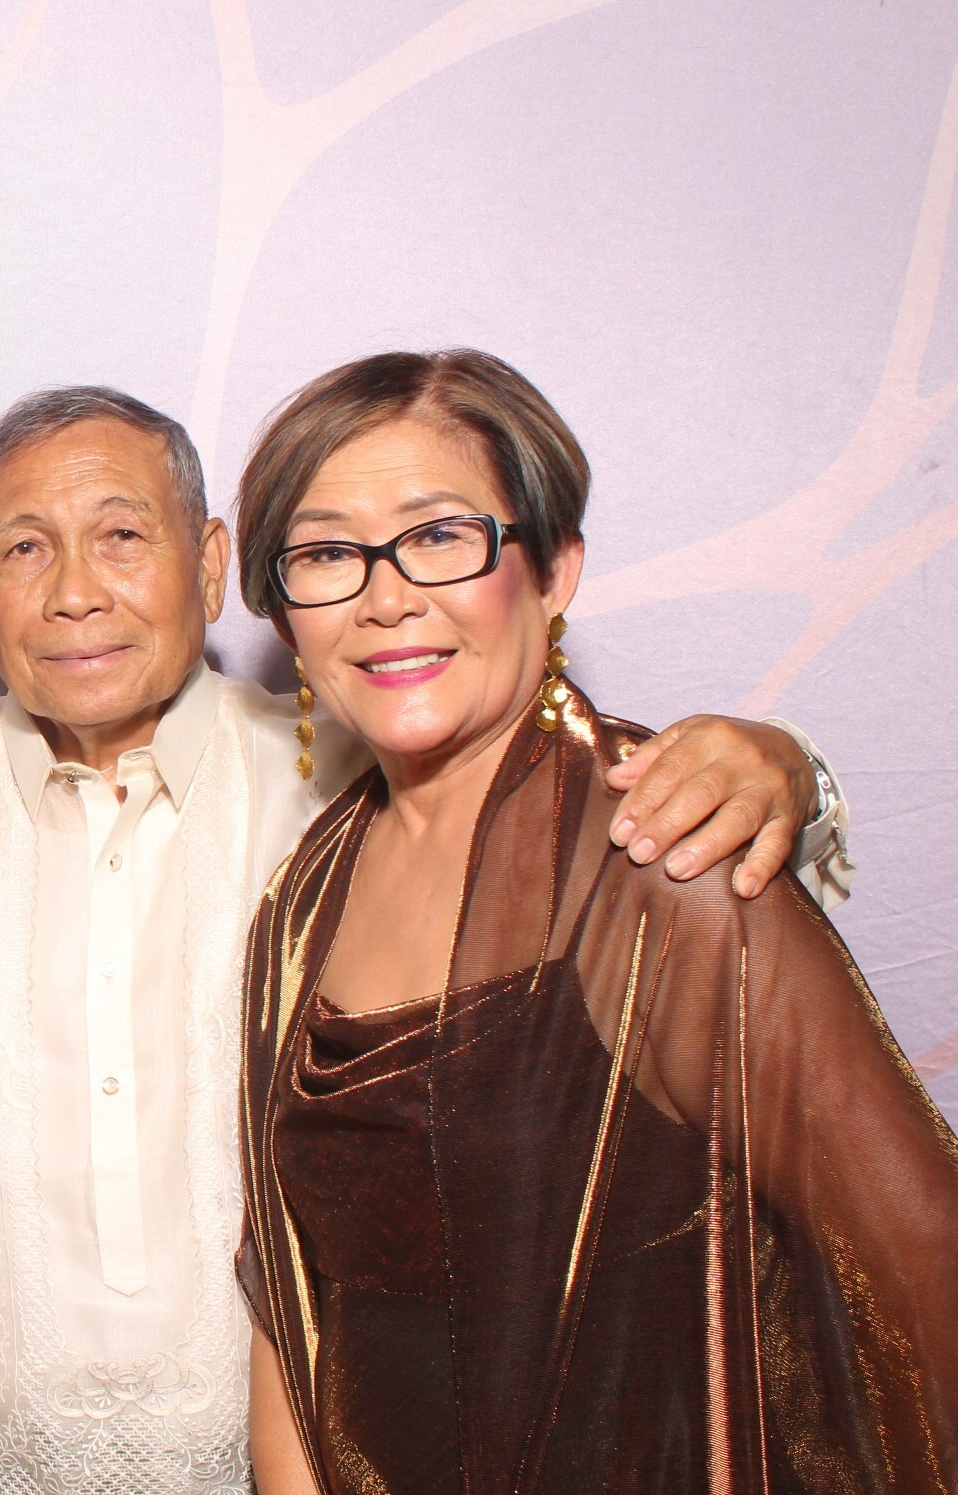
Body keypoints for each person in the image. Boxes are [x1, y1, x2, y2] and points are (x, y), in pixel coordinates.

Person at [0, 386, 850, 1494]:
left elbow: (605, 838)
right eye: (26, 548)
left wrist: (792, 773)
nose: (74, 593)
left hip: (317, 1459)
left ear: (212, 563)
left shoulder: (361, 773)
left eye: (122, 536)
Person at [231, 350, 958, 1492]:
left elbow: (924, 1260)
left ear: (555, 568)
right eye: (326, 553)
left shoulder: (660, 864)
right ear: (284, 608)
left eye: (440, 536)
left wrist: (796, 769)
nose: (385, 597)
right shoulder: (304, 894)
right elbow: (289, 1287)